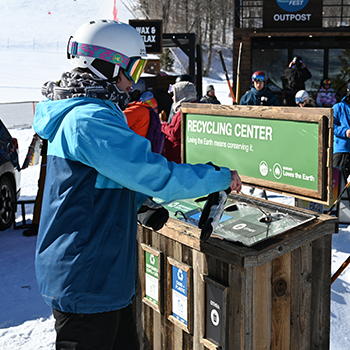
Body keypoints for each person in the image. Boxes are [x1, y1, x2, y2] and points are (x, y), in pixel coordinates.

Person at [32, 19, 242, 350]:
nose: (135, 79)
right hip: (87, 278)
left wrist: (139, 203)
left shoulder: (94, 113)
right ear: (105, 65)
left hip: (102, 275)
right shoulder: (88, 120)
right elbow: (154, 174)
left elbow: (101, 182)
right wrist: (218, 176)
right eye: (134, 66)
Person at [124, 78, 164, 153]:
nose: (126, 93)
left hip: (133, 151)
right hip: (144, 150)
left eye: (128, 90)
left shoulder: (136, 110)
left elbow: (114, 122)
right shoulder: (149, 104)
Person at [333, 80, 350, 181]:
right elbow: (331, 126)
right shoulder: (338, 107)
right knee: (336, 182)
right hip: (341, 149)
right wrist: (345, 131)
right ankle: (336, 197)